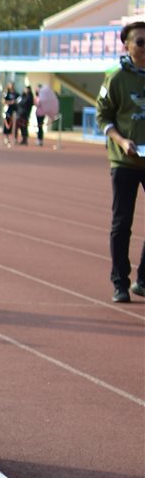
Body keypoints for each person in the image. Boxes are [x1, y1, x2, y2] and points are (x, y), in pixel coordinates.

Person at [98, 20, 145, 302]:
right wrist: (122, 141)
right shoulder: (115, 78)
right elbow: (103, 116)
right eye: (140, 42)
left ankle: (144, 280)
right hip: (125, 161)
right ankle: (120, 282)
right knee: (122, 222)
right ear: (127, 46)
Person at [35, 81, 60, 148]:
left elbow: (38, 104)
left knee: (40, 127)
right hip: (40, 113)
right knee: (39, 127)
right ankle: (39, 139)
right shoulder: (41, 96)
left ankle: (40, 139)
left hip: (40, 114)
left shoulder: (41, 97)